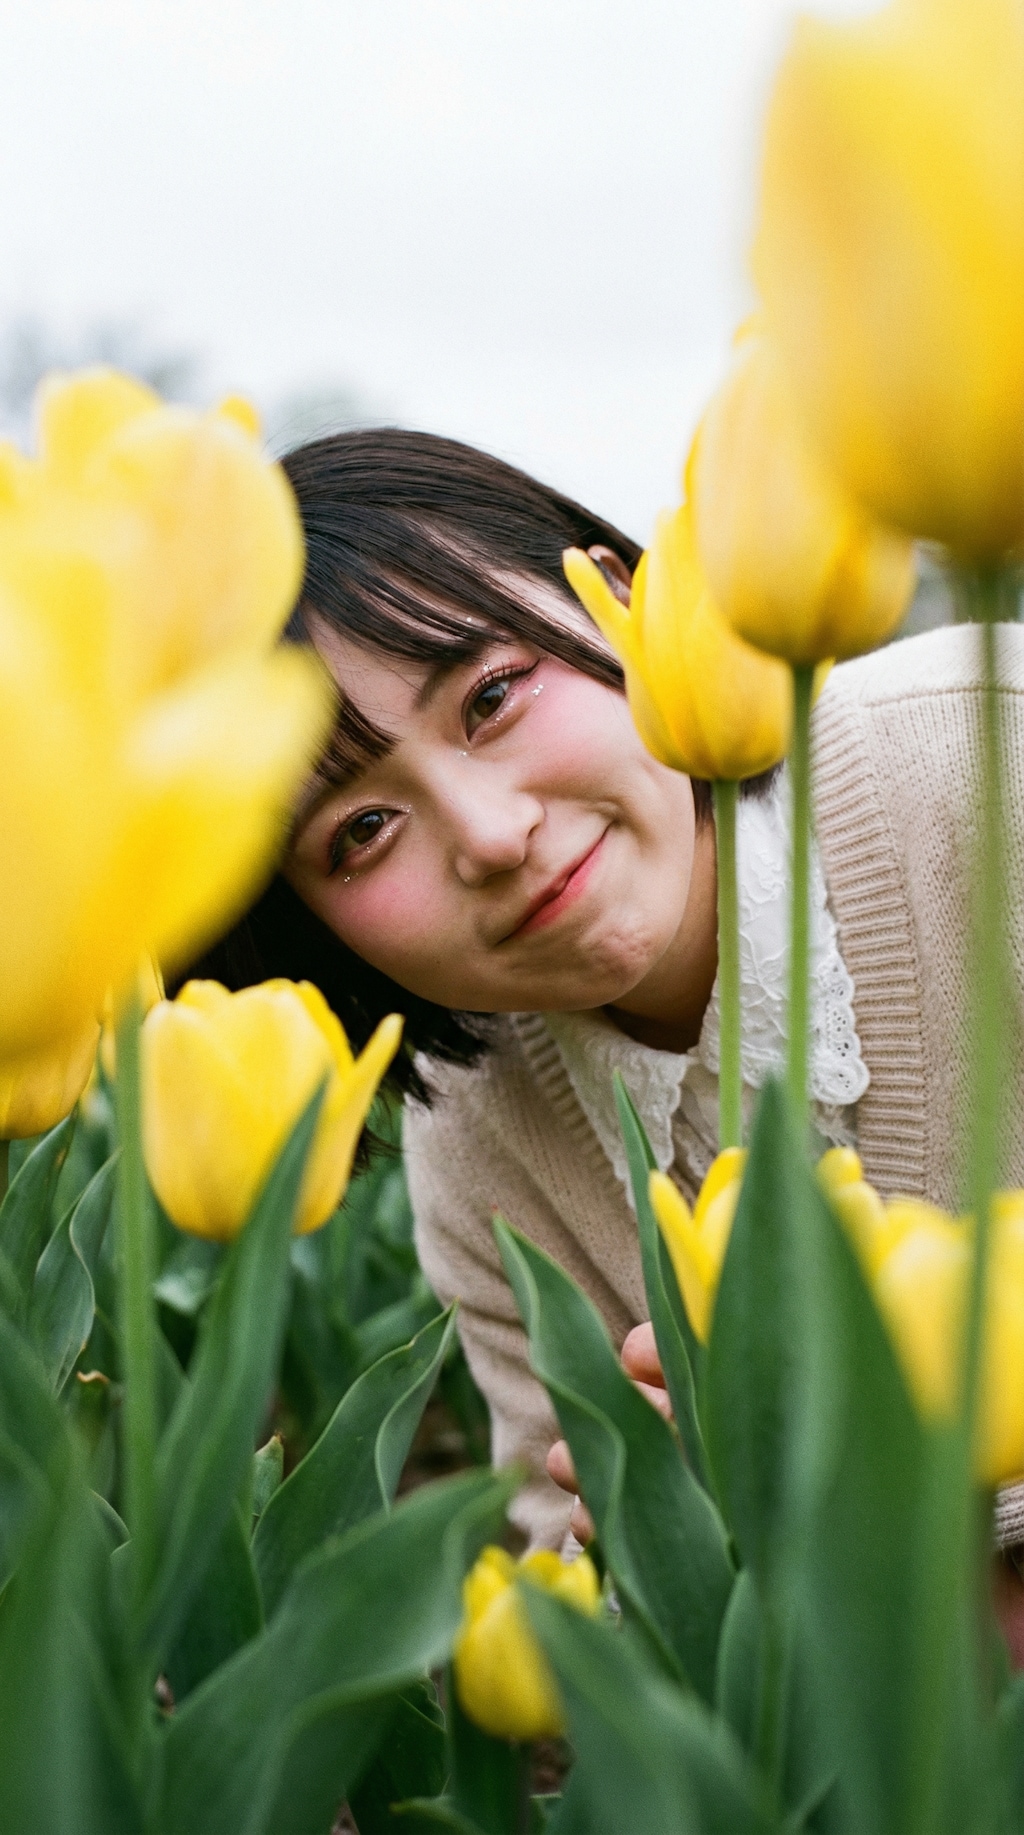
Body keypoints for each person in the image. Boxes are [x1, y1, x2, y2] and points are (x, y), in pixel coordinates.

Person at [197, 426, 1024, 1572]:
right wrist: (665, 1540)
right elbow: (565, 1605)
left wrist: (891, 1481)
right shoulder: (481, 1153)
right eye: (362, 831)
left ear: (624, 602)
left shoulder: (991, 753)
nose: (492, 834)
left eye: (490, 694)